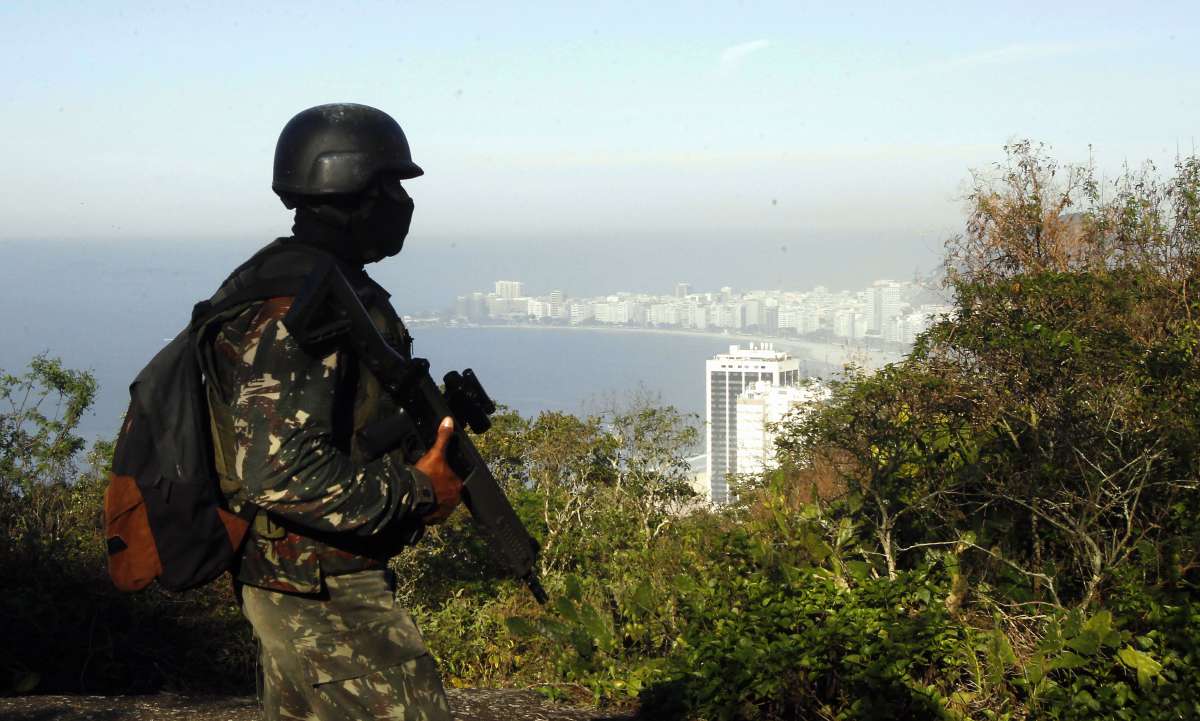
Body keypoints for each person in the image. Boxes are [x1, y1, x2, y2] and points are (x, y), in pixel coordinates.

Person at [200, 103, 462, 721]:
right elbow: (277, 472)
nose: (402, 202)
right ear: (350, 189)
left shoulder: (310, 281)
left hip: (304, 579)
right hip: (319, 586)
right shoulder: (301, 304)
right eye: (389, 185)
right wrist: (420, 491)